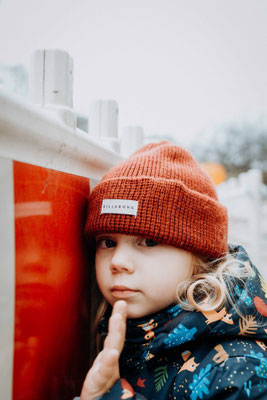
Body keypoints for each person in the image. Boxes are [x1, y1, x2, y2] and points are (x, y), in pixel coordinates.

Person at [75, 140, 267, 400]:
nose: (118, 261)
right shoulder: (116, 338)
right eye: (108, 242)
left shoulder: (240, 370)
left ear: (199, 256)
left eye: (149, 241)